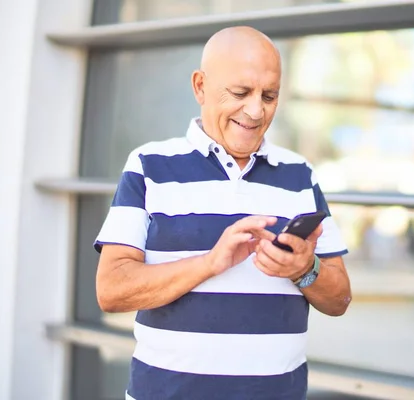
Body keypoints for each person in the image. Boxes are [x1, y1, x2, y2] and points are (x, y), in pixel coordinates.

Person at [94, 25, 352, 400]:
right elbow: (111, 291)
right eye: (240, 93)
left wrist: (303, 269)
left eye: (270, 95)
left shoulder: (300, 174)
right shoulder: (149, 165)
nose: (256, 110)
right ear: (200, 86)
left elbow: (340, 299)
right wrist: (210, 263)